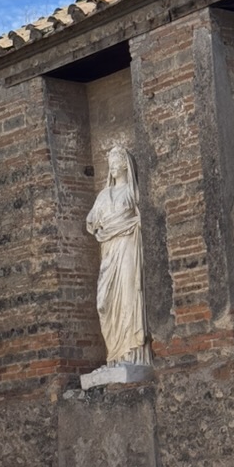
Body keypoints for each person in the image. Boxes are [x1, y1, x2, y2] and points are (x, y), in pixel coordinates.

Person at [86, 145, 152, 366]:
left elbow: (142, 218)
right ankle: (114, 354)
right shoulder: (103, 195)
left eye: (116, 162)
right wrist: (101, 228)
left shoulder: (132, 193)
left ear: (125, 165)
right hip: (109, 249)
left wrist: (131, 224)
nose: (112, 167)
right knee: (103, 301)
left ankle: (132, 355)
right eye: (110, 163)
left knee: (128, 293)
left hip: (128, 245)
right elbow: (91, 222)